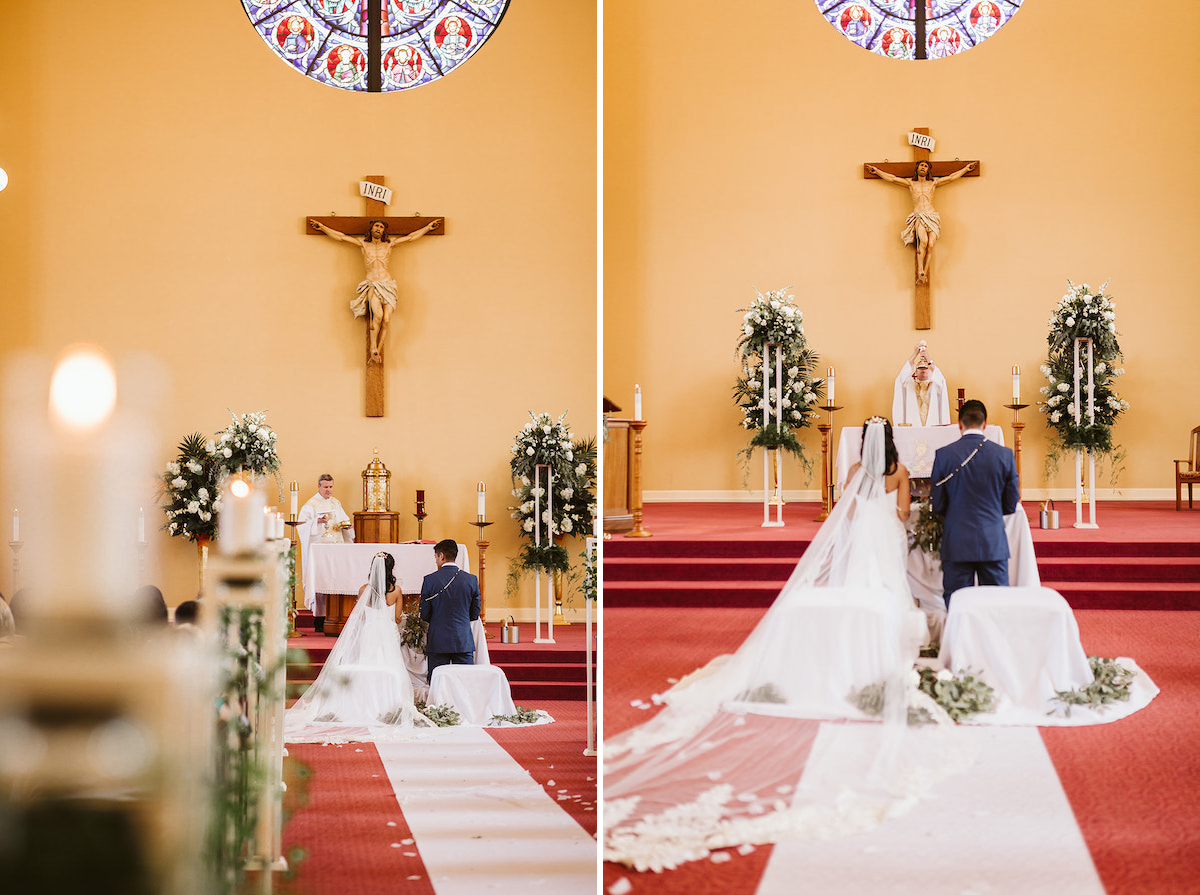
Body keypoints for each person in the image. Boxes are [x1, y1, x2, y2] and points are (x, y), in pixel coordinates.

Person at [603, 419, 963, 871]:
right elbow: (904, 515)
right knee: (888, 588)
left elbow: (847, 514)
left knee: (855, 589)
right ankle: (881, 643)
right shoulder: (899, 472)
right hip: (886, 539)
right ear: (890, 441)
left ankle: (852, 640)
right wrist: (888, 514)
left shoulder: (855, 469)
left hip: (864, 540)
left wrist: (866, 516)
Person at [284, 553, 432, 742]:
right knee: (389, 667)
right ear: (390, 569)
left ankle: (364, 702)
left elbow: (360, 616)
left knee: (366, 665)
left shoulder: (364, 590)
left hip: (369, 631)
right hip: (387, 633)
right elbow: (396, 618)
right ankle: (386, 704)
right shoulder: (397, 591)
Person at [308, 216, 440, 364]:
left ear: (384, 231)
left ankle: (377, 350)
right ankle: (373, 347)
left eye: (381, 227)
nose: (378, 229)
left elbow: (410, 238)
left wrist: (428, 228)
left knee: (387, 319)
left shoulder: (389, 245)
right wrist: (323, 228)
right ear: (371, 228)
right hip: (373, 284)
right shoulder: (363, 244)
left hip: (388, 284)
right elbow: (341, 237)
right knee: (377, 315)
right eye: (376, 226)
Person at [930, 399, 1020, 608]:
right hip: (992, 541)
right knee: (998, 604)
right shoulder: (1004, 455)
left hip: (957, 541)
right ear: (985, 424)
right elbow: (1010, 504)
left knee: (956, 604)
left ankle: (960, 641)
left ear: (959, 424)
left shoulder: (943, 455)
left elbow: (938, 504)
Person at [867, 158, 975, 285]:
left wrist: (965, 169)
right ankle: (920, 271)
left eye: (925, 166)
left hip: (932, 216)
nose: (923, 167)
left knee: (930, 244)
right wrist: (877, 171)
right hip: (919, 216)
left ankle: (924, 272)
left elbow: (951, 177)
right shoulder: (911, 183)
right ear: (917, 168)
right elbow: (892, 178)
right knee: (923, 241)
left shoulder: (933, 183)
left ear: (928, 169)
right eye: (921, 165)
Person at [297, 474, 354, 633]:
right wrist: (316, 522)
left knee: (336, 581)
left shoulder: (336, 503)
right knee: (320, 583)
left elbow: (344, 522)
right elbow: (301, 527)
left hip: (336, 550)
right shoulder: (310, 505)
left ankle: (337, 617)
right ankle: (319, 620)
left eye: (331, 487)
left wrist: (349, 527)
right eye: (326, 487)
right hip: (319, 552)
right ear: (319, 487)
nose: (329, 490)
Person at [419, 539, 481, 683]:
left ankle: (438, 706)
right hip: (463, 639)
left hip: (438, 640)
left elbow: (424, 614)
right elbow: (474, 613)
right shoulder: (471, 580)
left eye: (435, 557)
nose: (436, 561)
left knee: (437, 682)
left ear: (441, 556)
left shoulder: (429, 580)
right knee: (466, 681)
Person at [892, 339, 951, 426]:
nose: (923, 370)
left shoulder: (935, 384)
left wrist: (928, 359)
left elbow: (942, 381)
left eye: (925, 368)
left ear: (929, 370)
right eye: (920, 368)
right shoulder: (910, 385)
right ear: (915, 371)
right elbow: (901, 379)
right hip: (913, 425)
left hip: (932, 424)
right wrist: (915, 354)